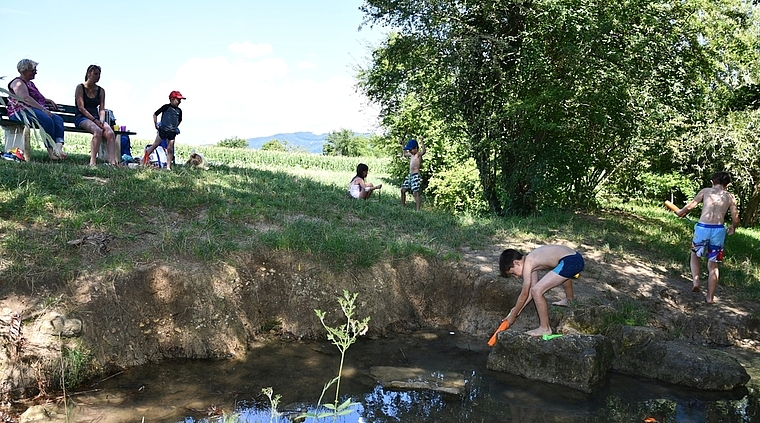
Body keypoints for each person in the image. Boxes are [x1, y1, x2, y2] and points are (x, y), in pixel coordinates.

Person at [674, 171, 740, 304]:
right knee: (713, 264)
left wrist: (680, 212)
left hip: (703, 228)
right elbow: (735, 217)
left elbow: (691, 206)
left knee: (695, 254)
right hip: (718, 231)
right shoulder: (730, 197)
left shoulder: (705, 191)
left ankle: (696, 280)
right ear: (727, 185)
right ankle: (710, 297)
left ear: (712, 182)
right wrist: (733, 227)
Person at [499, 245, 584, 336]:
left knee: (537, 291)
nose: (516, 277)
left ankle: (545, 328)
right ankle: (569, 299)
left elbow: (525, 293)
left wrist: (513, 316)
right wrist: (517, 309)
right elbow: (531, 291)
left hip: (571, 261)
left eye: (513, 273)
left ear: (516, 263)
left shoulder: (528, 264)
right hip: (575, 258)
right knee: (543, 285)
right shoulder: (531, 261)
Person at [6, 59, 66, 160]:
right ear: (25, 70)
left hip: (32, 110)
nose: (36, 72)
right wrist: (43, 109)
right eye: (33, 70)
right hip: (20, 112)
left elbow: (36, 98)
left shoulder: (30, 84)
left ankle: (58, 149)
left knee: (58, 120)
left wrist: (48, 100)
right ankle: (51, 151)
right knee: (47, 120)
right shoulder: (18, 82)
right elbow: (25, 98)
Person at [74, 65, 117, 166]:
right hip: (82, 117)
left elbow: (102, 109)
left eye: (99, 74)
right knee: (97, 131)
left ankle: (112, 162)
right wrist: (95, 121)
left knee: (110, 133)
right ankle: (93, 161)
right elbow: (81, 108)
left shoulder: (101, 91)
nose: (98, 77)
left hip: (96, 118)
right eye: (96, 74)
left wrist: (101, 121)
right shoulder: (80, 87)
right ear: (89, 74)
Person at [142, 91, 185, 170]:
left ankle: (168, 166)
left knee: (170, 149)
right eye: (178, 100)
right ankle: (143, 161)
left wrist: (175, 127)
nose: (179, 102)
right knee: (155, 145)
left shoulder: (179, 111)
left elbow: (179, 120)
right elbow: (155, 114)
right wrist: (156, 124)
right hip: (163, 130)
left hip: (172, 132)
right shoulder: (166, 107)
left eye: (180, 100)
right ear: (172, 99)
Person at [400, 138, 426, 211]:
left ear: (416, 148)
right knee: (403, 190)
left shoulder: (418, 155)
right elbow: (405, 154)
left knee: (415, 192)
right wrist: (403, 145)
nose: (410, 151)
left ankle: (418, 210)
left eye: (411, 150)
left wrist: (422, 141)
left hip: (416, 175)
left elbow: (423, 151)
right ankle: (402, 205)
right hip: (410, 175)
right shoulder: (411, 155)